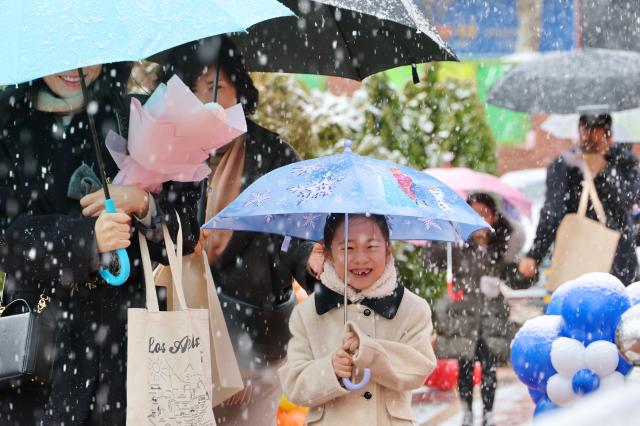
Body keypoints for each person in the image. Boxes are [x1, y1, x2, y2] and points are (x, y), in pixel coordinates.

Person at [0, 64, 200, 424]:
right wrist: (84, 239)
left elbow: (187, 230)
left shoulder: (133, 117)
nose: (77, 68)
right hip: (40, 344)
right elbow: (8, 239)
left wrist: (142, 202)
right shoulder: (9, 127)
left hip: (127, 346)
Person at [159, 36, 323, 425]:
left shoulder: (272, 155)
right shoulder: (161, 155)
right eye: (196, 91)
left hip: (253, 339)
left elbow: (295, 235)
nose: (209, 101)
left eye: (219, 88)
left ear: (241, 92)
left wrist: (314, 259)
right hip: (178, 345)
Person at [278, 213, 436, 426]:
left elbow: (418, 368)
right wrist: (329, 369)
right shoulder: (307, 313)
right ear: (328, 254)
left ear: (388, 250)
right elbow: (294, 384)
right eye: (348, 248)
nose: (361, 258)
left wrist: (370, 353)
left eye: (371, 246)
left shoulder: (412, 308)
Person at [423, 193, 532, 426]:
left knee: (489, 367)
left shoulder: (501, 247)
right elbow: (431, 261)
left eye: (484, 213)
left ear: (493, 216)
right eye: (473, 214)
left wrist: (523, 274)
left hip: (492, 317)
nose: (479, 219)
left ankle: (489, 413)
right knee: (465, 366)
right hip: (464, 316)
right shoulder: (458, 246)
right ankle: (467, 412)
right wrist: (438, 236)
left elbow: (515, 278)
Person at [518, 113, 640, 285]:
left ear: (610, 136)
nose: (590, 139)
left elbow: (630, 199)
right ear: (580, 132)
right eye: (587, 133)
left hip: (618, 259)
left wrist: (603, 171)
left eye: (597, 134)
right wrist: (535, 254)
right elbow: (552, 213)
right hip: (577, 255)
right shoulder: (566, 165)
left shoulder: (623, 162)